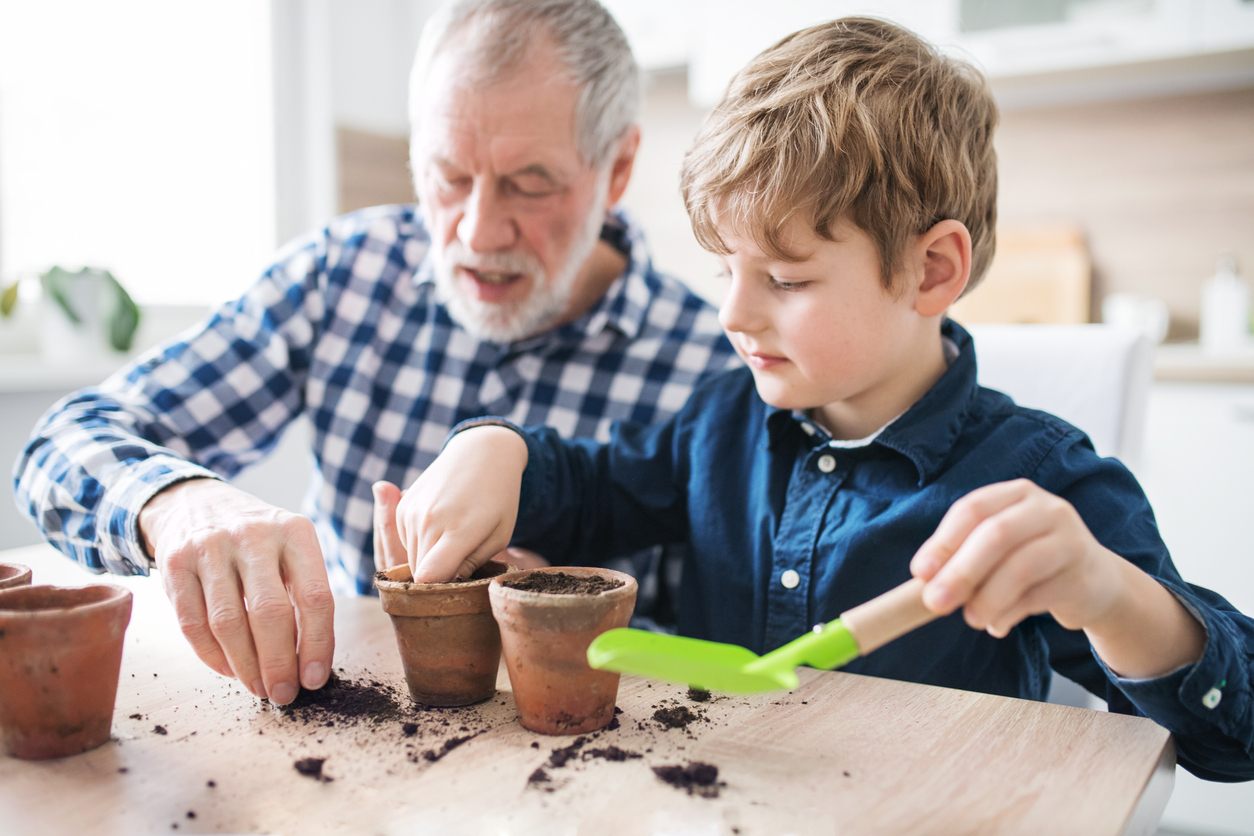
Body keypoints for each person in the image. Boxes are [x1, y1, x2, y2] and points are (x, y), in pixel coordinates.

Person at [393, 17, 1254, 781]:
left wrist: (1108, 593)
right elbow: (585, 488)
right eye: (725, 270)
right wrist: (496, 449)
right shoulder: (720, 425)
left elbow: (1234, 736)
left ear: (932, 270)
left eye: (787, 277)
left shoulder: (1040, 484)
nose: (733, 312)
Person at [12, 0, 736, 707]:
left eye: (529, 183)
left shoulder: (724, 366)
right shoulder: (343, 275)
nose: (478, 233)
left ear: (616, 170)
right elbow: (62, 442)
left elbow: (725, 658)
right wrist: (178, 507)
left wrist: (557, 619)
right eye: (449, 176)